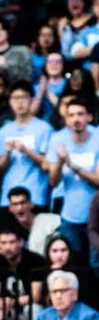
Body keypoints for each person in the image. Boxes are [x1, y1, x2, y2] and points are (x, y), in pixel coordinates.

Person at [46, 97, 99, 257]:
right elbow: (53, 182)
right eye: (71, 115)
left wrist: (71, 164)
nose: (76, 119)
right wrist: (60, 163)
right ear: (66, 119)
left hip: (96, 215)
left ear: (89, 117)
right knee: (72, 263)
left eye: (80, 114)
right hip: (70, 215)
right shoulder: (58, 139)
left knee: (96, 265)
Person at [0, 82, 53, 209]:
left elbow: (48, 164)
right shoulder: (2, 132)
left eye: (24, 97)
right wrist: (7, 153)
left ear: (32, 100)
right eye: (15, 98)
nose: (20, 102)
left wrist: (26, 151)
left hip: (35, 195)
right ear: (10, 102)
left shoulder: (44, 129)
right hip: (9, 197)